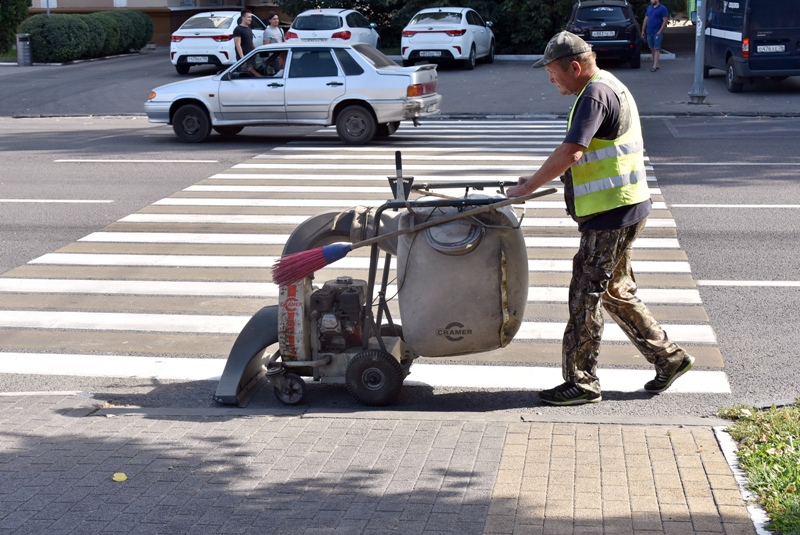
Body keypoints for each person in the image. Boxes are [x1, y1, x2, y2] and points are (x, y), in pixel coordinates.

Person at [506, 31, 694, 406]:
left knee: (584, 295)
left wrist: (526, 189)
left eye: (553, 72)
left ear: (574, 67)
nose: (550, 79)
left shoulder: (593, 94)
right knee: (614, 290)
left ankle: (583, 382)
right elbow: (586, 153)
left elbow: (573, 152)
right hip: (627, 206)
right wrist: (537, 178)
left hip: (611, 215)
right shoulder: (608, 85)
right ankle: (668, 357)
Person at [642, 0, 669, 72]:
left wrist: (660, 31)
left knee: (657, 48)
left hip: (657, 32)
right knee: (651, 48)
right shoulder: (649, 8)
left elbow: (665, 20)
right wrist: (643, 30)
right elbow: (646, 18)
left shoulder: (662, 8)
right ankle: (657, 63)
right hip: (649, 31)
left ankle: (654, 66)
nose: (651, 1)